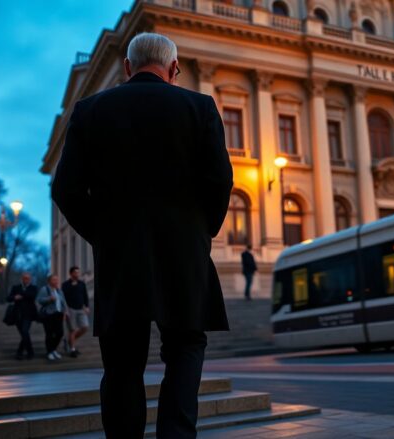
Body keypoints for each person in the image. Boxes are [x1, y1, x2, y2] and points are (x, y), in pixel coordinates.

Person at [51, 32, 233, 438]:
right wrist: (201, 233)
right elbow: (221, 181)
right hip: (184, 255)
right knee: (186, 348)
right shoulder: (199, 107)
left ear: (128, 68)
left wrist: (102, 234)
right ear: (174, 69)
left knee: (121, 363)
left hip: (120, 258)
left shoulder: (89, 110)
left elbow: (65, 190)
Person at [7, 273, 38, 360]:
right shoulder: (15, 287)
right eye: (24, 278)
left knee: (25, 332)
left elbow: (32, 296)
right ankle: (28, 352)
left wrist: (20, 295)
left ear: (30, 279)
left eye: (28, 278)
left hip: (29, 314)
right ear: (22, 279)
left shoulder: (33, 287)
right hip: (17, 314)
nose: (26, 280)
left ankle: (22, 352)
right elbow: (8, 298)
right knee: (24, 334)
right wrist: (14, 297)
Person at [37, 274, 68, 361]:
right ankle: (49, 352)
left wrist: (65, 312)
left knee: (60, 333)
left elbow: (63, 302)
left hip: (59, 315)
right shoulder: (45, 289)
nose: (56, 281)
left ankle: (53, 349)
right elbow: (39, 300)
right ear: (49, 281)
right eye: (54, 280)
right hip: (48, 315)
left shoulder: (59, 290)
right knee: (49, 334)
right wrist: (49, 299)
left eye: (57, 280)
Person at [62, 266, 90, 357]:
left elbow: (85, 296)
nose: (77, 274)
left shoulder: (82, 284)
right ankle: (72, 349)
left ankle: (69, 341)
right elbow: (63, 299)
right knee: (72, 330)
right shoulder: (65, 285)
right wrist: (65, 311)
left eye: (78, 272)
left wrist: (87, 306)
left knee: (85, 327)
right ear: (71, 274)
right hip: (70, 310)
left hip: (81, 309)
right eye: (75, 272)